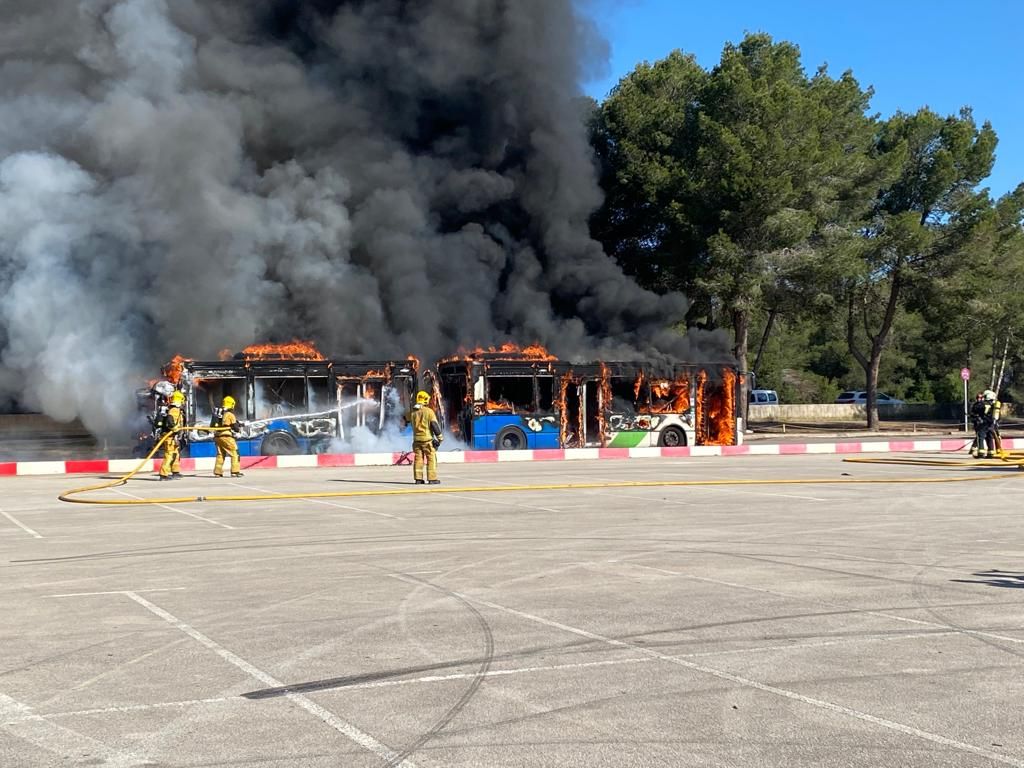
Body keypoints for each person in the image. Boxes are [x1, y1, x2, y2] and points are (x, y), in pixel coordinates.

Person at [409, 390, 442, 484]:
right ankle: (432, 479)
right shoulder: (429, 411)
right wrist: (440, 438)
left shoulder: (413, 413)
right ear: (425, 399)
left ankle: (418, 479)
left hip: (416, 441)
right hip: (427, 440)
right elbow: (434, 425)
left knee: (418, 459)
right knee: (431, 458)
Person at [213, 395, 243, 478]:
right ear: (232, 405)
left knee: (220, 454)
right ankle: (235, 472)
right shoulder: (230, 415)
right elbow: (235, 428)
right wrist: (239, 428)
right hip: (226, 436)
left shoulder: (220, 413)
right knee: (235, 453)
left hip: (217, 436)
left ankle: (217, 473)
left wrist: (239, 423)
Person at [158, 391, 185, 480]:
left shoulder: (176, 410)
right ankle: (163, 474)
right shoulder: (174, 410)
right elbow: (170, 421)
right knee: (169, 454)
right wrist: (174, 428)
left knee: (175, 454)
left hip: (173, 437)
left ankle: (175, 471)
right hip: (169, 437)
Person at [982, 389, 1003, 459]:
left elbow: (985, 414)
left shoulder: (988, 404)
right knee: (996, 436)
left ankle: (991, 452)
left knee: (989, 437)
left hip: (990, 423)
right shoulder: (995, 404)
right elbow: (998, 415)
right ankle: (997, 450)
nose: (983, 398)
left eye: (985, 396)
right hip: (994, 423)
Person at [969, 392, 988, 458]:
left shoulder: (984, 405)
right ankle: (974, 449)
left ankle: (975, 449)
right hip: (976, 422)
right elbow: (972, 413)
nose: (978, 399)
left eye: (979, 397)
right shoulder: (975, 405)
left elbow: (985, 414)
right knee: (978, 435)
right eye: (977, 397)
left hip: (983, 423)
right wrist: (975, 417)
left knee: (980, 436)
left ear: (982, 398)